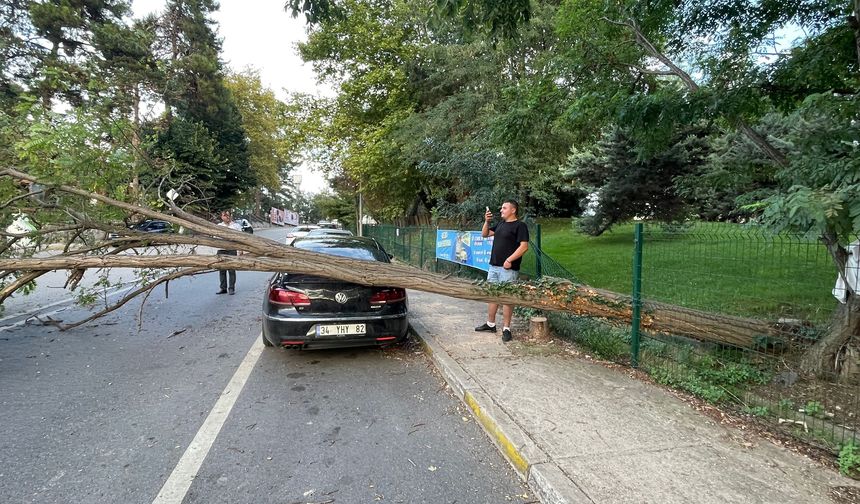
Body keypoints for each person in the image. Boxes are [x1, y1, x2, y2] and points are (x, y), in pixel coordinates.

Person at [475, 200, 529, 342]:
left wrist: (509, 260)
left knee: (507, 298)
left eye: (504, 208)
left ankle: (506, 328)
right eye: (501, 208)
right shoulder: (500, 224)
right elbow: (485, 234)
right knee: (493, 295)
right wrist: (486, 221)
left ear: (513, 210)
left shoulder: (520, 226)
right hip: (493, 266)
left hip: (508, 269)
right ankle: (490, 324)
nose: (501, 210)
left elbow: (524, 247)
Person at [216, 210, 243, 295]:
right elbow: (215, 236)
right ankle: (223, 288)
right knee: (222, 270)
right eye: (224, 215)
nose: (226, 217)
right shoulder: (219, 226)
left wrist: (240, 249)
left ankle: (231, 288)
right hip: (221, 249)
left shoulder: (236, 226)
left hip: (232, 250)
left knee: (231, 270)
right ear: (221, 217)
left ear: (230, 216)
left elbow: (241, 238)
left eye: (228, 215)